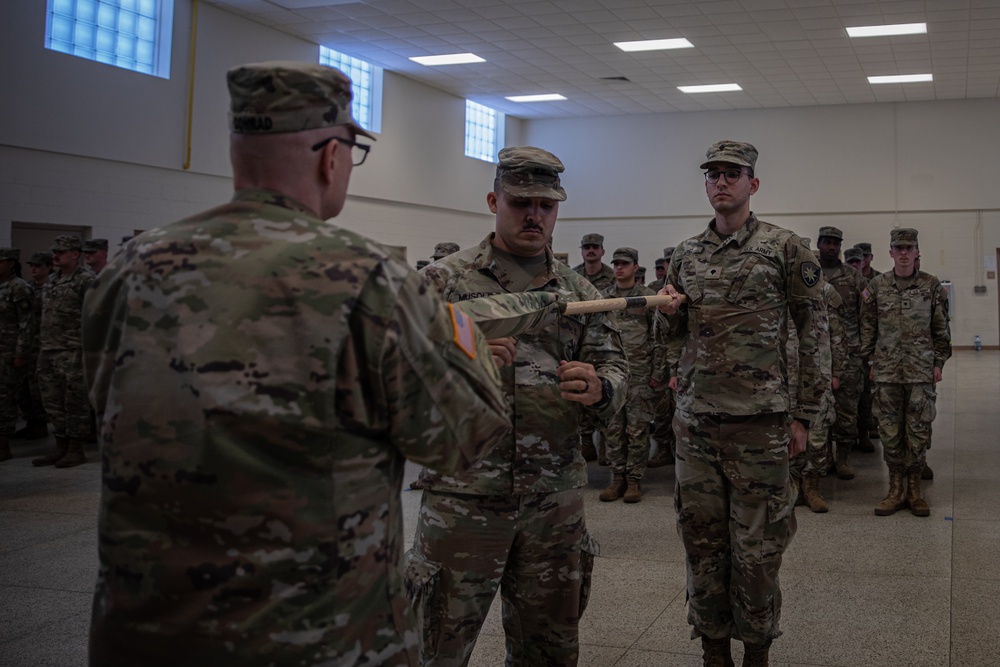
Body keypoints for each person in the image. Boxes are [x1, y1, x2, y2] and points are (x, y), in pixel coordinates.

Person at [82, 61, 512, 667]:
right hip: (316, 636)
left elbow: (107, 412)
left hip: (145, 633)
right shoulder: (369, 280)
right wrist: (461, 330)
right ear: (330, 156)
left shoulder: (127, 270)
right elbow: (469, 437)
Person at [407, 146, 628, 666]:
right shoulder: (442, 284)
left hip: (553, 501)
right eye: (521, 201)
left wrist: (603, 388)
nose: (535, 215)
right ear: (493, 200)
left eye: (547, 205)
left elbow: (616, 367)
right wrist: (457, 361)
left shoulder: (578, 292)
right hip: (463, 499)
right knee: (434, 649)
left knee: (549, 652)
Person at [658, 140, 827, 667]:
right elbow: (671, 333)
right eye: (713, 174)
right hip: (697, 425)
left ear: (753, 184)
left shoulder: (786, 248)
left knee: (757, 548)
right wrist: (666, 316)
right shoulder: (685, 254)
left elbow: (815, 331)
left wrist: (805, 416)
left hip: (762, 425)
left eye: (733, 174)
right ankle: (713, 649)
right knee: (701, 543)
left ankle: (756, 650)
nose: (721, 182)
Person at [861, 228, 951, 517]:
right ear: (890, 252)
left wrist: (938, 363)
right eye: (898, 247)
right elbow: (868, 328)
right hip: (886, 373)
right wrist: (870, 362)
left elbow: (941, 330)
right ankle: (895, 489)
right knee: (889, 433)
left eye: (908, 247)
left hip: (919, 373)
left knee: (918, 432)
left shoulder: (931, 286)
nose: (903, 252)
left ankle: (914, 490)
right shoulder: (877, 286)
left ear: (916, 252)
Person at [598, 247, 664, 503]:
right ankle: (617, 479)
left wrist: (658, 371)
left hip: (640, 373)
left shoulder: (647, 298)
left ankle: (634, 480)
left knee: (637, 430)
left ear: (636, 267)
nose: (618, 268)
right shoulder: (603, 298)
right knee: (613, 429)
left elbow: (658, 337)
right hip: (612, 374)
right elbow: (597, 336)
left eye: (624, 264)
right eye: (615, 263)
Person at [31, 235, 93, 468]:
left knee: (74, 401)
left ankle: (76, 449)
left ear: (75, 253)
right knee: (52, 401)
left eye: (61, 251)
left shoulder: (86, 280)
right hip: (48, 349)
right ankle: (61, 447)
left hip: (74, 350)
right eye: (54, 251)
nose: (55, 255)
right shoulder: (52, 279)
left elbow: (96, 316)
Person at [816, 226, 868, 481]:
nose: (831, 247)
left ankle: (843, 459)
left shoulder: (854, 277)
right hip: (816, 354)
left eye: (835, 243)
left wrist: (865, 348)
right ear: (819, 243)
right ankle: (823, 458)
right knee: (818, 410)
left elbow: (867, 314)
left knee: (847, 409)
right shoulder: (807, 274)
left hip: (850, 354)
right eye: (826, 242)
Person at [0, 248, 35, 462]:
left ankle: (3, 445)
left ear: (11, 263)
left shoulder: (19, 287)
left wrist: (21, 352)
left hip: (8, 351)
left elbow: (27, 323)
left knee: (4, 399)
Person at [12, 251, 51, 440]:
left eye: (38, 265)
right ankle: (31, 422)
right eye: (31, 266)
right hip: (28, 343)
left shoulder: (52, 288)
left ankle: (41, 424)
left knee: (38, 388)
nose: (34, 269)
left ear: (48, 267)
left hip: (44, 344)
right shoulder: (26, 288)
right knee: (24, 387)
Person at [648, 246, 676, 468]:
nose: (667, 265)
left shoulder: (687, 289)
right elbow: (654, 334)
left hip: (680, 363)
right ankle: (664, 449)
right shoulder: (654, 291)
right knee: (662, 411)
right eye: (665, 261)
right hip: (660, 361)